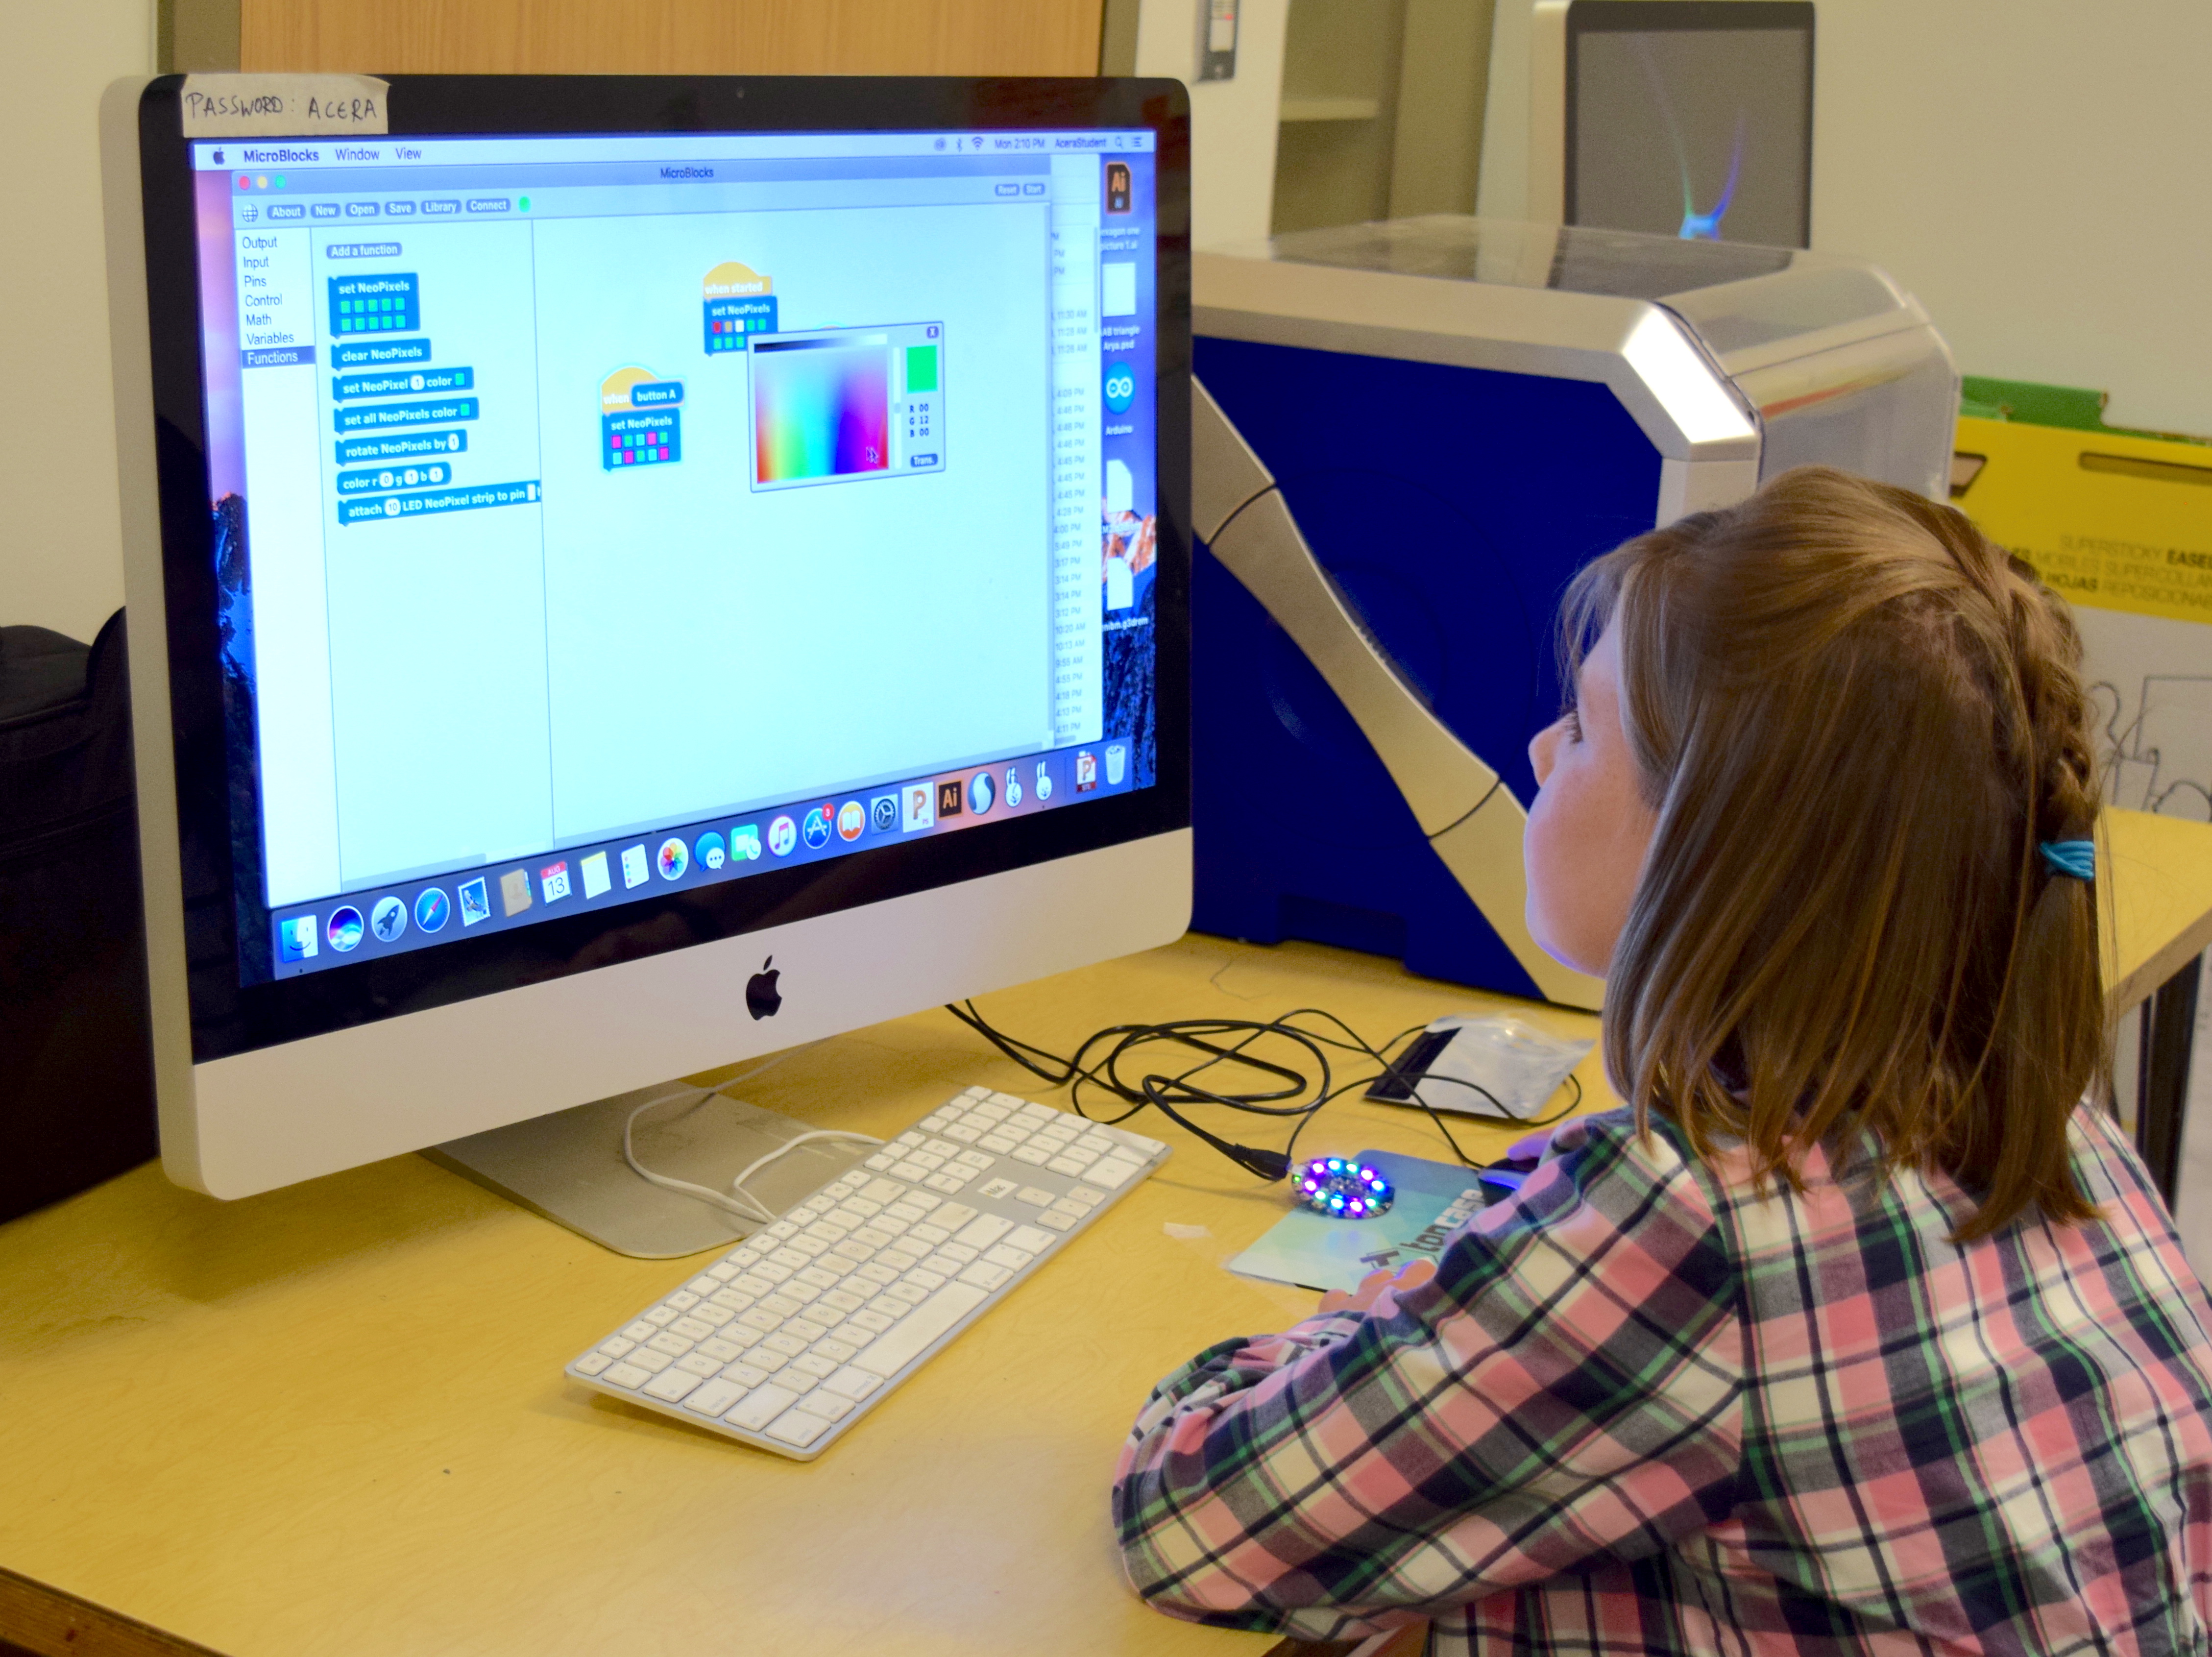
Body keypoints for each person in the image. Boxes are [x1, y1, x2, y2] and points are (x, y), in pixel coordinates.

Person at [1112, 467, 2212, 1654]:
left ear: (1714, 842)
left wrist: (1365, 1321)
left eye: (1583, 727)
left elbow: (1192, 1519)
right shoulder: (2046, 1116)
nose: (1538, 747)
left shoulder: (1697, 1221)